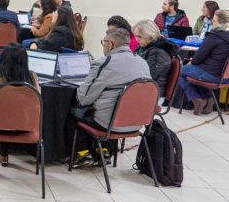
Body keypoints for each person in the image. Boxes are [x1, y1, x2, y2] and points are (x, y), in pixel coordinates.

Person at [73, 28, 152, 163]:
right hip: (137, 123)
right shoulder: (142, 62)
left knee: (75, 110)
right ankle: (102, 150)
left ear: (110, 44)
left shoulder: (105, 63)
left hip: (110, 124)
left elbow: (84, 99)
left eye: (103, 42)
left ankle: (83, 152)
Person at [177, 10, 229, 115]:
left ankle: (197, 99)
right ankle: (208, 98)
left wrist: (191, 63)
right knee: (193, 74)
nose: (212, 22)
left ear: (221, 22)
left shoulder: (214, 37)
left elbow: (197, 59)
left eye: (214, 20)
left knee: (179, 72)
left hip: (212, 74)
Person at [133, 20, 179, 96]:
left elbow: (148, 77)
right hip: (143, 88)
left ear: (149, 35)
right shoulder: (144, 46)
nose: (136, 39)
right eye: (136, 36)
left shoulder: (158, 52)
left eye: (139, 36)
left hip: (152, 93)